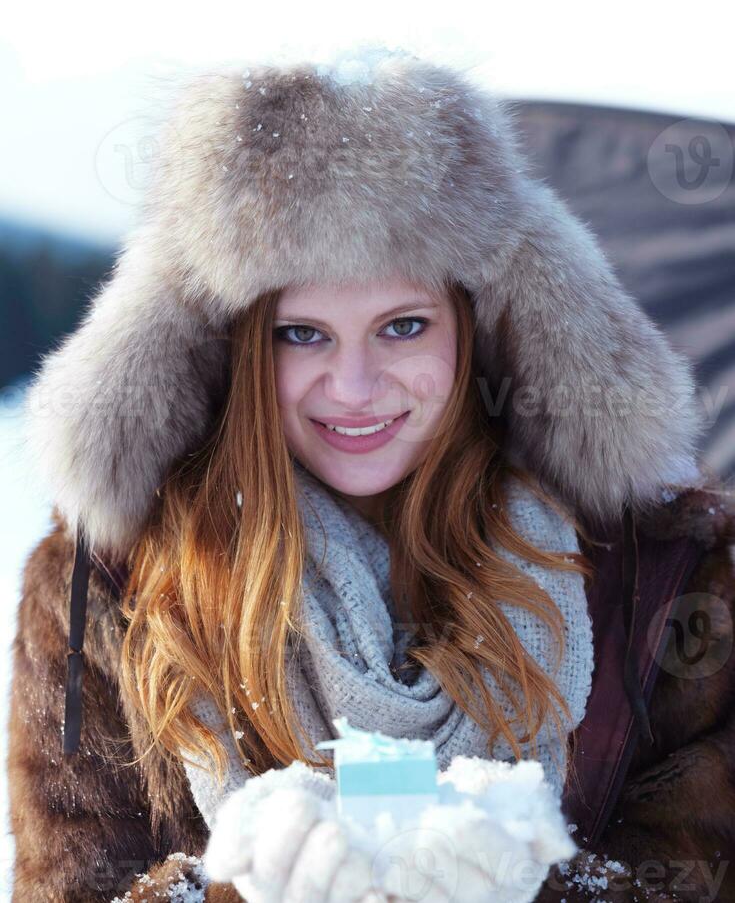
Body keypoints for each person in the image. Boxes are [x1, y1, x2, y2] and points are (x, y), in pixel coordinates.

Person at [8, 47, 734, 902]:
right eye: (300, 334)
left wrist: (505, 877)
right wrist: (258, 886)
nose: (353, 388)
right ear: (234, 350)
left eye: (402, 327)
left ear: (481, 328)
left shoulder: (661, 573)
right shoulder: (110, 588)